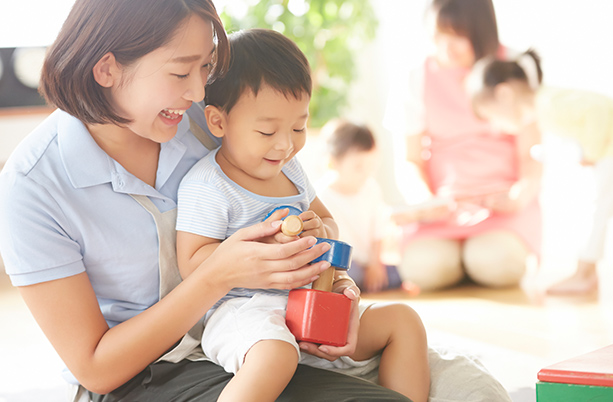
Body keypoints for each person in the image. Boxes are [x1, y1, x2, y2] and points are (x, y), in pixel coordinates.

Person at [0, 1, 423, 400]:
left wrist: (338, 287)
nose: (200, 90)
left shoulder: (208, 118)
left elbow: (314, 219)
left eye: (205, 67)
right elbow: (96, 367)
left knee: (465, 383)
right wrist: (218, 274)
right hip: (145, 372)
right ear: (107, 68)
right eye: (181, 72)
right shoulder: (33, 186)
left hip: (266, 328)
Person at [175, 29, 430, 402]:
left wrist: (319, 227)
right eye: (266, 131)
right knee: (275, 355)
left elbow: (329, 223)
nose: (285, 144)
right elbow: (192, 264)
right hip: (246, 311)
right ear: (218, 122)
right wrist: (258, 249)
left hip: (311, 299)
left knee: (403, 321)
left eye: (298, 126)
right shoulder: (208, 185)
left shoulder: (291, 171)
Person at [384, 0, 542, 292]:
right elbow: (410, 160)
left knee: (496, 263)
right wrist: (426, 202)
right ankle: (461, 259)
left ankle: (472, 258)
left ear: (482, 31)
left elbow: (532, 155)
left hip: (503, 207)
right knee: (425, 269)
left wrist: (519, 197)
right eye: (438, 35)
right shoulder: (415, 78)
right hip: (443, 206)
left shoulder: (516, 67)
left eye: (457, 34)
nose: (446, 46)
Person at [466, 49, 613, 295]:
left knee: (598, 210)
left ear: (504, 94)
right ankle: (586, 273)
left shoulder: (548, 105)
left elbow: (596, 110)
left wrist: (591, 153)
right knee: (596, 210)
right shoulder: (547, 108)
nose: (496, 127)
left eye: (492, 116)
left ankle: (584, 274)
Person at [317, 119, 404, 293]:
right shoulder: (322, 195)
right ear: (334, 162)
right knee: (348, 273)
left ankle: (367, 281)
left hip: (368, 260)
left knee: (402, 271)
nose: (366, 173)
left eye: (371, 165)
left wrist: (375, 264)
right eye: (358, 167)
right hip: (342, 264)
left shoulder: (371, 188)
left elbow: (377, 231)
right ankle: (355, 284)